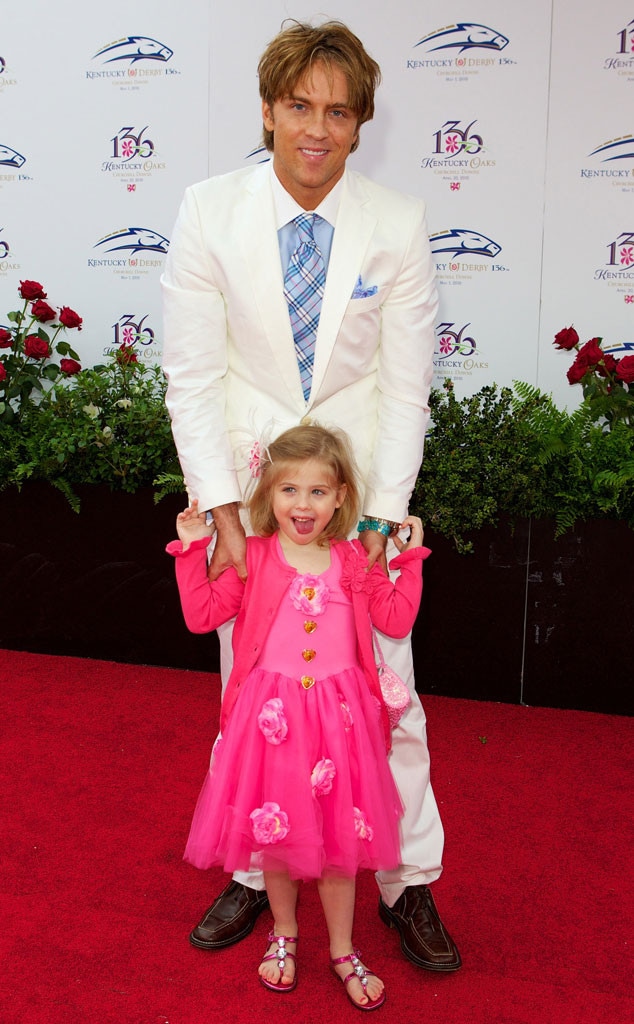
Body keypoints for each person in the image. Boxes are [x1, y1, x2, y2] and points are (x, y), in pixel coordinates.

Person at [162, 19, 461, 972]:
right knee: (249, 692)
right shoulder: (208, 211)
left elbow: (406, 389)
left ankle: (406, 880)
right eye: (300, 106)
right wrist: (222, 517)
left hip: (356, 504)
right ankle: (255, 870)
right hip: (255, 502)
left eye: (338, 112)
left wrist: (378, 520)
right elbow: (192, 377)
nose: (317, 130)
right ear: (268, 110)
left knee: (390, 697)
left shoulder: (398, 223)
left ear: (362, 122)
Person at [167, 424, 430, 1008]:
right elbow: (201, 615)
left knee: (340, 843)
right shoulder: (253, 556)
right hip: (273, 724)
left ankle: (342, 948)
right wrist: (193, 548)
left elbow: (395, 619)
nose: (302, 505)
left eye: (317, 491)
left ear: (340, 497)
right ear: (269, 494)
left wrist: (408, 562)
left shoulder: (353, 559)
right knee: (276, 833)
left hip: (340, 724)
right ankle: (284, 933)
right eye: (289, 490)